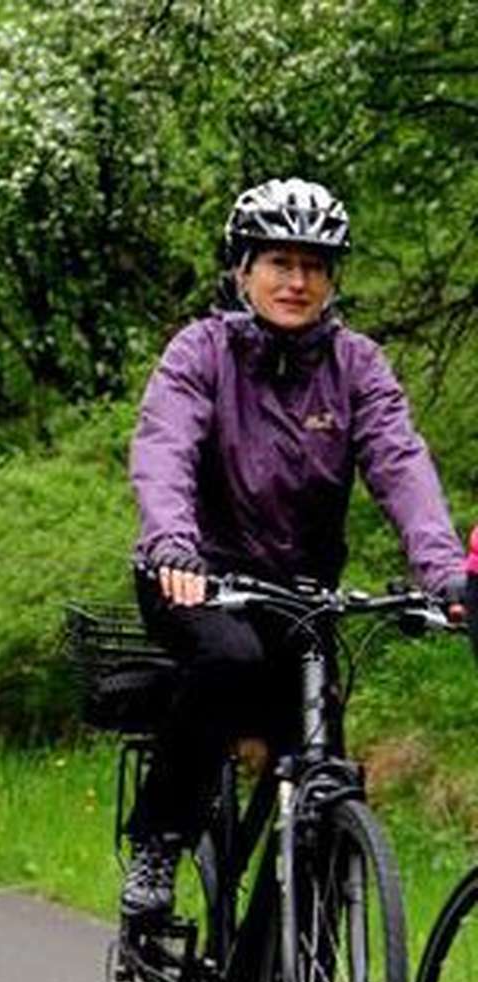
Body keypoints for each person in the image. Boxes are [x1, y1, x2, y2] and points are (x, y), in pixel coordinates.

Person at [126, 177, 467, 918]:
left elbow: (400, 463)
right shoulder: (202, 352)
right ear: (243, 270)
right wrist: (175, 549)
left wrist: (445, 574)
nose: (297, 280)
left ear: (331, 279)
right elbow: (164, 450)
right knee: (227, 661)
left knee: (327, 772)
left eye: (314, 265)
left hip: (301, 594)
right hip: (197, 577)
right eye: (279, 261)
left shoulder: (357, 366)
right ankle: (158, 843)